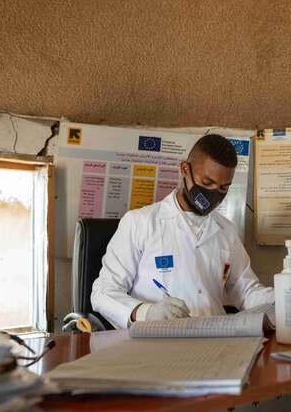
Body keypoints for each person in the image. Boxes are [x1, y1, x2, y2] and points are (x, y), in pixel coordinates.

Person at [91, 134, 274, 329]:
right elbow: (103, 293)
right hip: (157, 344)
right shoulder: (140, 223)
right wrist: (145, 312)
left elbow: (246, 291)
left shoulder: (226, 230)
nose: (214, 193)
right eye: (207, 182)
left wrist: (282, 298)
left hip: (214, 341)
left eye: (223, 188)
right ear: (185, 169)